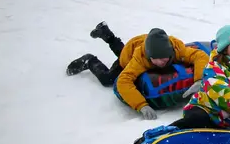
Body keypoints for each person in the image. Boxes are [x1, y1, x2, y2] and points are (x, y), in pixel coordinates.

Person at [66, 22, 210, 119]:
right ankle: (90, 60)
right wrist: (142, 105)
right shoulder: (139, 60)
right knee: (109, 79)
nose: (162, 62)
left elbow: (199, 55)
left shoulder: (177, 49)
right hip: (130, 52)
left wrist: (198, 79)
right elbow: (123, 82)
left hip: (143, 42)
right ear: (149, 57)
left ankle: (105, 32)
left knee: (125, 51)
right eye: (157, 59)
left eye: (165, 58)